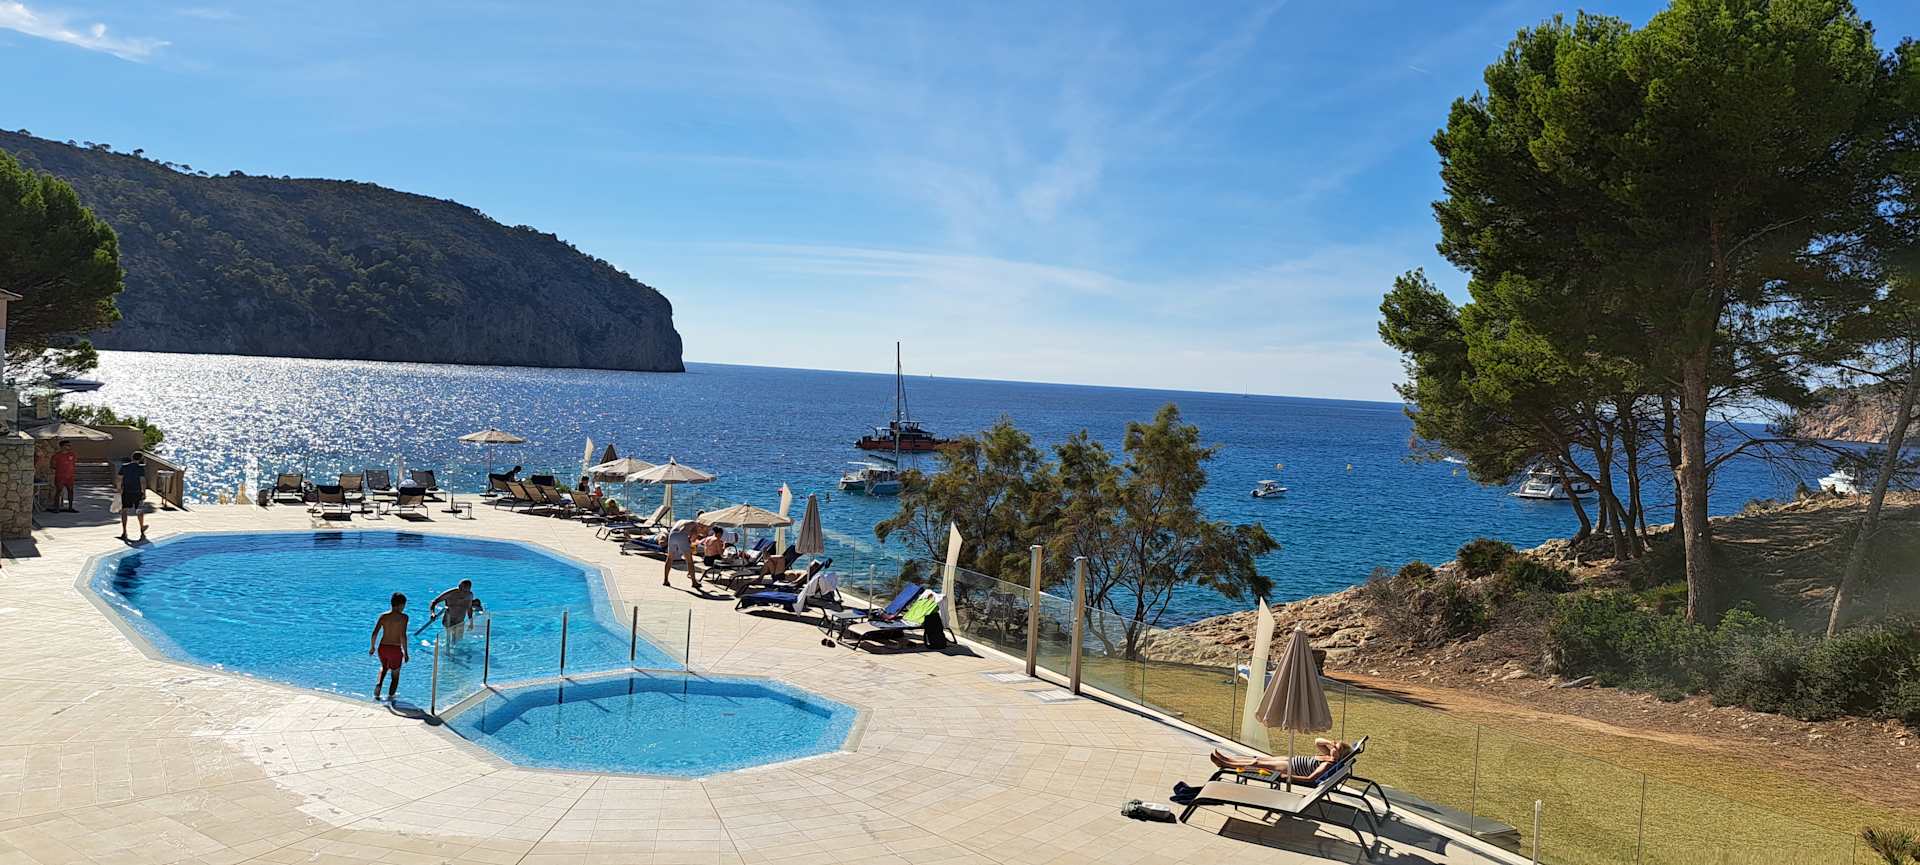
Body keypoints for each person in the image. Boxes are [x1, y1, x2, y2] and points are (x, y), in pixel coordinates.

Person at [368, 592, 410, 701]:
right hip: (395, 649)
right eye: (404, 605)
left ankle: (379, 684)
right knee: (395, 675)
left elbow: (375, 633)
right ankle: (391, 698)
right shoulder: (404, 617)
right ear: (401, 605)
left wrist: (372, 647)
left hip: (382, 648)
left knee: (384, 667)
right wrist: (406, 652)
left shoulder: (383, 616)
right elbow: (403, 636)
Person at [430, 579, 477, 645]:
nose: (464, 593)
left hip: (460, 621)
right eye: (463, 591)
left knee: (458, 642)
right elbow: (434, 602)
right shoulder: (450, 593)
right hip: (449, 620)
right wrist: (433, 613)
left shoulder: (469, 595)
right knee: (450, 641)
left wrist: (471, 622)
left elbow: (469, 608)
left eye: (467, 591)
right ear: (459, 587)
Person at [115, 454, 148, 541]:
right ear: (140, 459)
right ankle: (142, 528)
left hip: (126, 491)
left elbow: (119, 478)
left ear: (132, 458)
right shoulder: (140, 468)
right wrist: (144, 492)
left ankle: (124, 531)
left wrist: (119, 489)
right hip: (137, 492)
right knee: (139, 510)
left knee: (124, 510)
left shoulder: (124, 467)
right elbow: (142, 481)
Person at [51, 440, 77, 512]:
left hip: (70, 477)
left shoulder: (72, 455)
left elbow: (73, 464)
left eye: (70, 445)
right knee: (58, 491)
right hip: (60, 476)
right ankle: (56, 508)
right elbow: (52, 465)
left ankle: (70, 508)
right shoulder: (56, 456)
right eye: (67, 445)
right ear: (62, 446)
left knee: (71, 491)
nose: (69, 447)